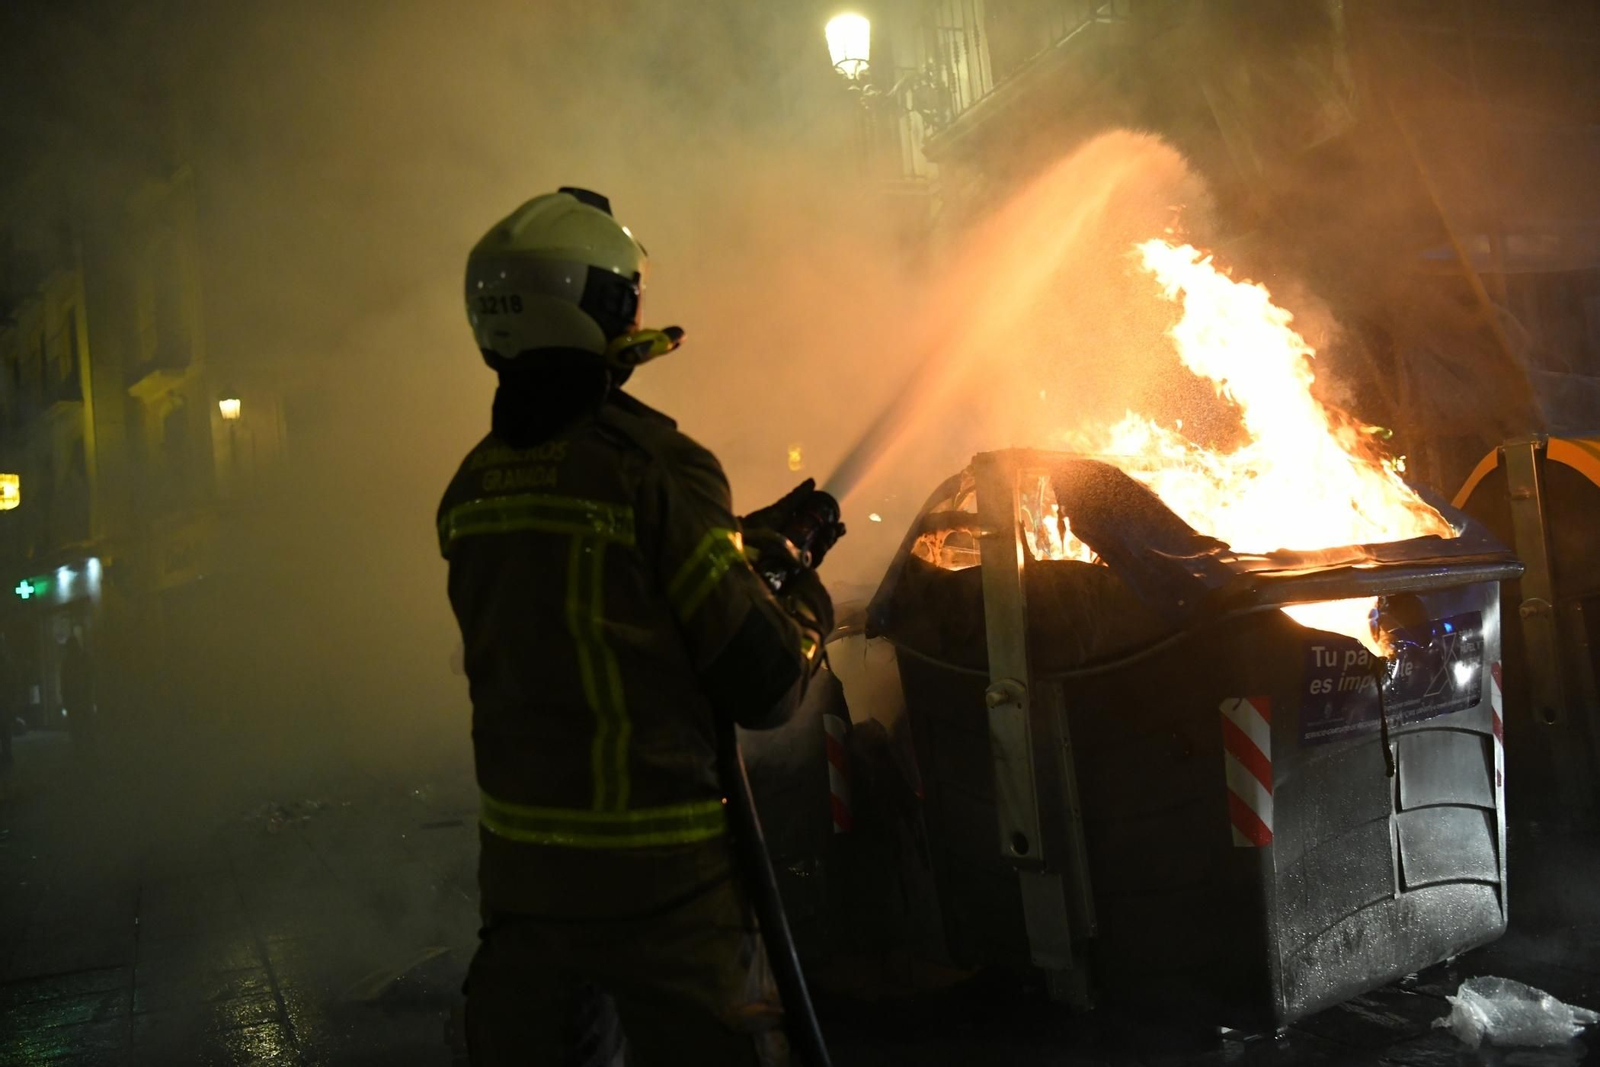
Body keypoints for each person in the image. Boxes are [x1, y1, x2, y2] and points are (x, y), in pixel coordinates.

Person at [439, 187, 839, 1066]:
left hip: (524, 895)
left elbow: (612, 614)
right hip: (665, 892)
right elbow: (765, 680)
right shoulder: (655, 469)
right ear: (595, 306)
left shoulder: (473, 487)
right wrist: (801, 590)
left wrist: (742, 547)